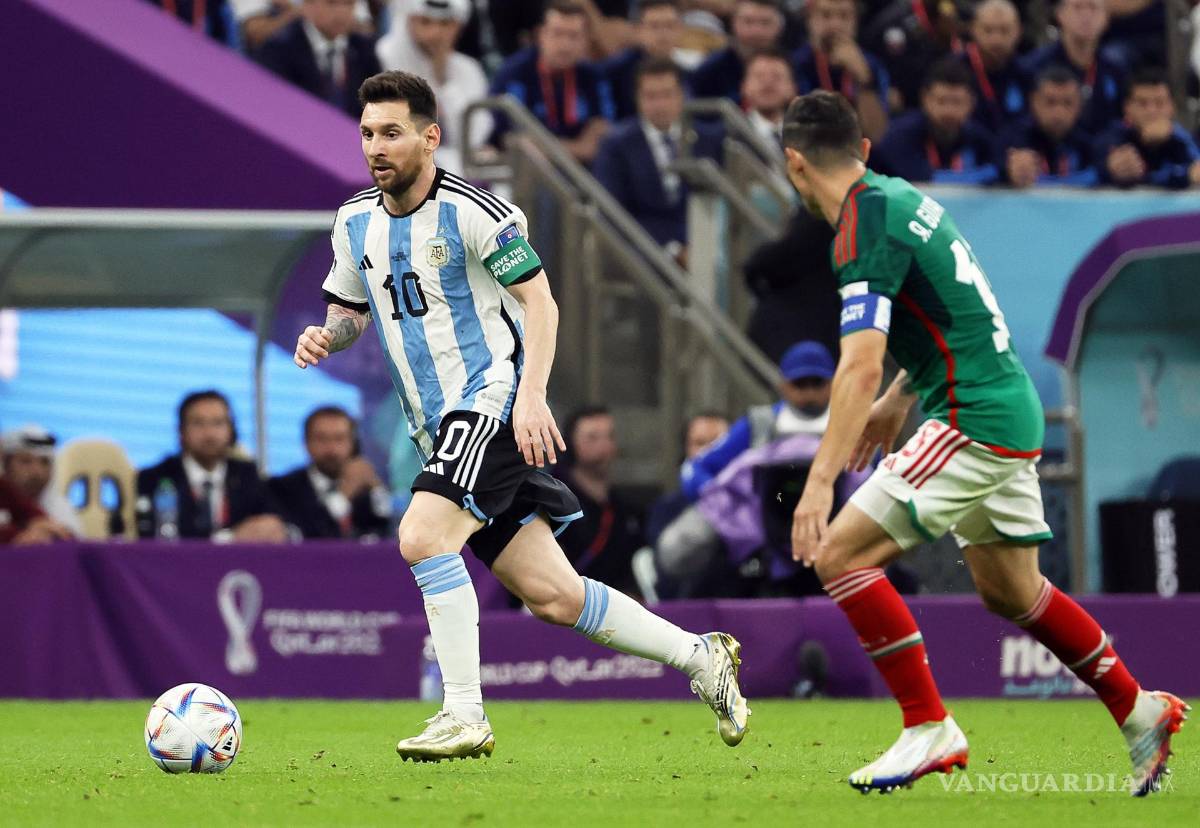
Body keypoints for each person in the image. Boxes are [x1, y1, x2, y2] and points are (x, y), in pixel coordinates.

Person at [293, 70, 749, 762]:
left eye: (391, 133)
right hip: (435, 428)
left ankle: (463, 713)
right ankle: (700, 657)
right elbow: (352, 311)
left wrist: (529, 395)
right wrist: (328, 334)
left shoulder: (475, 211)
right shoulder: (354, 221)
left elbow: (541, 302)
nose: (376, 147)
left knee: (421, 536)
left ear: (430, 137)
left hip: (488, 401)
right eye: (367, 133)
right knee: (553, 596)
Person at [780, 89, 1187, 794]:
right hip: (1006, 405)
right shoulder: (901, 197)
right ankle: (1138, 708)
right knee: (1013, 590)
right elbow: (956, 306)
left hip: (970, 417)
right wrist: (899, 398)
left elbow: (858, 359)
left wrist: (819, 483)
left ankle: (927, 726)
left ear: (793, 165)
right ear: (865, 150)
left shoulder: (859, 225)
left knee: (839, 552)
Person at [593, 58, 723, 260]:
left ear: (682, 95)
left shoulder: (709, 139)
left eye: (667, 95)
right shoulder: (616, 145)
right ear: (637, 98)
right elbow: (613, 211)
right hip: (644, 255)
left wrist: (698, 248)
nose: (660, 104)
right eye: (651, 96)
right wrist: (673, 250)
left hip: (707, 249)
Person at [136, 391, 288, 542]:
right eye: (198, 423)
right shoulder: (154, 478)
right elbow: (153, 536)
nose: (209, 433)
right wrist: (229, 538)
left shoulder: (246, 474)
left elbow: (275, 524)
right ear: (181, 431)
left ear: (231, 430)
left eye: (218, 423)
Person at [487, 0, 616, 165]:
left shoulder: (593, 76)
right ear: (541, 35)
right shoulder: (514, 73)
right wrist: (577, 147)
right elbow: (515, 140)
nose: (565, 45)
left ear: (586, 40)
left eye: (574, 36)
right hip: (529, 171)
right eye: (558, 33)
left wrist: (547, 147)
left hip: (585, 172)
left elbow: (599, 138)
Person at [375, 0, 489, 174]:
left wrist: (442, 79)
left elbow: (474, 138)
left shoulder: (469, 70)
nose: (435, 33)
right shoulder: (382, 58)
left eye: (445, 24)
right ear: (409, 20)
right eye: (425, 22)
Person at [551, 406, 646, 596]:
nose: (604, 446)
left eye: (610, 436)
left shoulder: (627, 510)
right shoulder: (552, 502)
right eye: (592, 438)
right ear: (569, 443)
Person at [268, 406, 392, 539]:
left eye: (339, 439)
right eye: (322, 439)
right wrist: (343, 495)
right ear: (306, 443)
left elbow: (385, 532)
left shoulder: (364, 488)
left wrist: (378, 490)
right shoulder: (281, 490)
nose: (331, 449)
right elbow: (307, 535)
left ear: (353, 444)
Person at [871, 58, 999, 184]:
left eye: (957, 102)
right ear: (925, 99)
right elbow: (925, 181)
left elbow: (999, 165)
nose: (948, 111)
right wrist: (987, 173)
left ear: (971, 103)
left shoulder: (978, 137)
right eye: (941, 101)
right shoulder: (900, 135)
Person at [256, 0, 382, 117]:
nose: (341, 12)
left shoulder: (363, 48)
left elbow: (378, 104)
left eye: (348, 3)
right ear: (308, 5)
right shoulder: (279, 49)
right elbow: (276, 107)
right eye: (331, 3)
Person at [1019, 0, 1127, 135]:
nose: (1086, 15)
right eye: (1078, 7)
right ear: (1059, 14)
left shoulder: (1115, 70)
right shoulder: (1033, 67)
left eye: (1093, 8)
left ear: (1106, 18)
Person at [791, 0, 889, 142]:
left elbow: (878, 134)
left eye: (844, 16)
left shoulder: (872, 65)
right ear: (809, 19)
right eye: (826, 15)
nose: (835, 25)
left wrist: (863, 78)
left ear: (856, 22)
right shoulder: (794, 63)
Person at [1095, 68, 1200, 189]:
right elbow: (1094, 170)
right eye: (1142, 103)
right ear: (1127, 108)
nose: (1151, 111)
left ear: (1172, 107)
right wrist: (1108, 169)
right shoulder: (1112, 138)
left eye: (1159, 103)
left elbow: (1196, 169)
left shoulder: (1180, 138)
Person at [1000, 66, 1098, 187]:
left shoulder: (1089, 146)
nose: (1059, 112)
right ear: (1034, 101)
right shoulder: (1012, 141)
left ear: (1079, 105)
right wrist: (1009, 172)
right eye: (1050, 102)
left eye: (1067, 103)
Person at [645, 411, 730, 549]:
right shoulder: (667, 510)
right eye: (700, 443)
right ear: (686, 449)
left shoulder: (752, 504)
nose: (709, 450)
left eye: (718, 442)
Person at [862, 0, 963, 111]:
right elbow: (868, 53)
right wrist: (883, 89)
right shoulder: (895, 20)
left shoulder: (955, 14)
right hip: (897, 102)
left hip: (936, 98)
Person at [601, 0, 687, 121]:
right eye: (654, 26)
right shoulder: (614, 72)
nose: (663, 34)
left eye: (670, 25)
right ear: (638, 31)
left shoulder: (691, 68)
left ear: (681, 29)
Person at [690, 0, 786, 101]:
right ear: (733, 23)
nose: (756, 31)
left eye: (765, 23)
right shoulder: (709, 70)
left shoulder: (794, 66)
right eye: (748, 22)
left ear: (779, 27)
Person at [959, 0, 1028, 135]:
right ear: (973, 29)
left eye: (1005, 30)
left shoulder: (1028, 73)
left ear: (1019, 31)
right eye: (988, 30)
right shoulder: (954, 71)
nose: (996, 40)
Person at [1, 426, 83, 536]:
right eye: (26, 461)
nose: (37, 472)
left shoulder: (61, 512)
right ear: (6, 466)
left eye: (44, 462)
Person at [740, 49, 798, 152]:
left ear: (792, 88)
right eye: (759, 77)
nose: (768, 83)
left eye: (777, 77)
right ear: (744, 86)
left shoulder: (808, 139)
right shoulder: (729, 136)